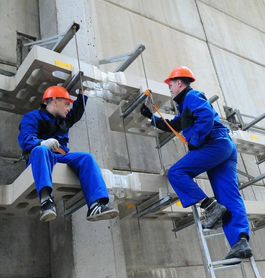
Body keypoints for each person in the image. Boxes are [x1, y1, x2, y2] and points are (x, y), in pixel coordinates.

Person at [140, 66, 252, 260]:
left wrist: (196, 141)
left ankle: (209, 206)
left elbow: (206, 117)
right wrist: (152, 117)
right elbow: (175, 125)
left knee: (177, 173)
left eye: (171, 84)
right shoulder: (185, 106)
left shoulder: (192, 97)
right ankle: (240, 241)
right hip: (223, 147)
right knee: (229, 195)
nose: (170, 88)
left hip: (214, 144)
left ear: (180, 84)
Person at [18, 86, 119, 222]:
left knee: (86, 158)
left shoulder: (63, 120)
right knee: (41, 150)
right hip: (41, 157)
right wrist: (42, 143)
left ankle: (95, 205)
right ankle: (46, 201)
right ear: (54, 101)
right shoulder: (32, 117)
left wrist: (83, 94)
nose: (69, 108)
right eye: (66, 104)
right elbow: (25, 139)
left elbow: (76, 112)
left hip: (62, 157)